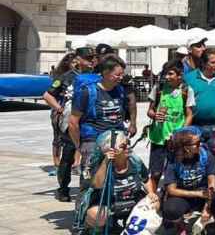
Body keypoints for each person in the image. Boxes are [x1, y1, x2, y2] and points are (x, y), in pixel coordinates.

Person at [69, 54, 133, 189]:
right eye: (117, 75)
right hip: (93, 141)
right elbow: (73, 122)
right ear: (105, 73)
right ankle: (87, 207)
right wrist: (79, 146)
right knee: (91, 182)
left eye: (122, 74)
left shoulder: (120, 90)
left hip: (117, 140)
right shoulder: (88, 92)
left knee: (117, 179)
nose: (121, 78)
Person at [45, 46, 95, 202]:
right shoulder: (67, 77)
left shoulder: (97, 76)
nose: (91, 62)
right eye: (88, 58)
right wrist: (59, 108)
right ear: (78, 60)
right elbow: (47, 95)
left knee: (91, 156)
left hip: (90, 121)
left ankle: (89, 187)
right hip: (71, 120)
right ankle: (63, 188)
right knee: (68, 155)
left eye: (93, 58)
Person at [83, 129, 155, 231]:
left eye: (128, 144)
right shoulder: (100, 164)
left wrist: (151, 193)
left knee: (154, 203)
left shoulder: (135, 161)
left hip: (132, 203)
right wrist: (106, 162)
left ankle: (133, 226)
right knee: (96, 214)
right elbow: (97, 185)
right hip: (109, 206)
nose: (128, 148)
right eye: (123, 146)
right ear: (110, 150)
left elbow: (146, 179)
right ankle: (97, 229)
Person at [146, 60, 195, 187]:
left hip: (175, 139)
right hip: (158, 137)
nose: (167, 77)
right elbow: (150, 110)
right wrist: (155, 115)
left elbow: (189, 114)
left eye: (170, 74)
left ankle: (171, 196)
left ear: (180, 75)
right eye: (165, 74)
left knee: (175, 170)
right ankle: (152, 197)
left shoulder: (186, 90)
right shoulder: (159, 88)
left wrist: (181, 133)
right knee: (155, 172)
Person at [161, 127, 215, 234]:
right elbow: (171, 190)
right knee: (170, 210)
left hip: (204, 194)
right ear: (186, 148)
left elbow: (211, 183)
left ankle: (208, 224)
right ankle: (180, 224)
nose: (200, 145)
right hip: (183, 195)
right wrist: (198, 194)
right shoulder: (173, 160)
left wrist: (207, 207)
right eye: (197, 143)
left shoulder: (205, 155)